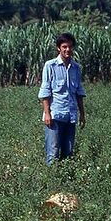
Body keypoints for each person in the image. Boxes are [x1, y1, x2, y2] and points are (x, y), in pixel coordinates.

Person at [38, 32, 86, 166]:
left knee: (68, 152)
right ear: (58, 48)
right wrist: (47, 113)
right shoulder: (50, 66)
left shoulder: (76, 68)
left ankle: (66, 184)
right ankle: (52, 182)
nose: (68, 50)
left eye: (70, 47)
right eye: (64, 46)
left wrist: (82, 114)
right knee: (52, 153)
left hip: (71, 116)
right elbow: (45, 92)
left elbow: (79, 93)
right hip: (55, 115)